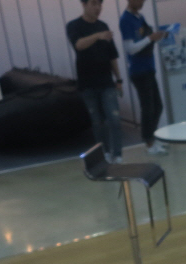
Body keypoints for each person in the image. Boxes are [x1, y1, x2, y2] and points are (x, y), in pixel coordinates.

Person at [67, 0, 125, 162]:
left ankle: (117, 154)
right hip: (87, 83)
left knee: (114, 118)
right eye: (94, 4)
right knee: (97, 122)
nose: (98, 8)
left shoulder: (103, 26)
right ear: (84, 5)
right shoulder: (74, 26)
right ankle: (104, 152)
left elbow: (112, 56)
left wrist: (119, 79)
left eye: (100, 4)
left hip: (106, 81)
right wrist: (97, 36)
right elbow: (79, 45)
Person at [120, 0, 169, 155]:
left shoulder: (140, 17)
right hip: (139, 71)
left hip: (149, 68)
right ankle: (149, 142)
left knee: (157, 106)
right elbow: (130, 48)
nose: (142, 2)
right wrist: (150, 38)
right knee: (148, 108)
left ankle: (152, 137)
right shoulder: (125, 20)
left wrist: (158, 36)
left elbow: (146, 38)